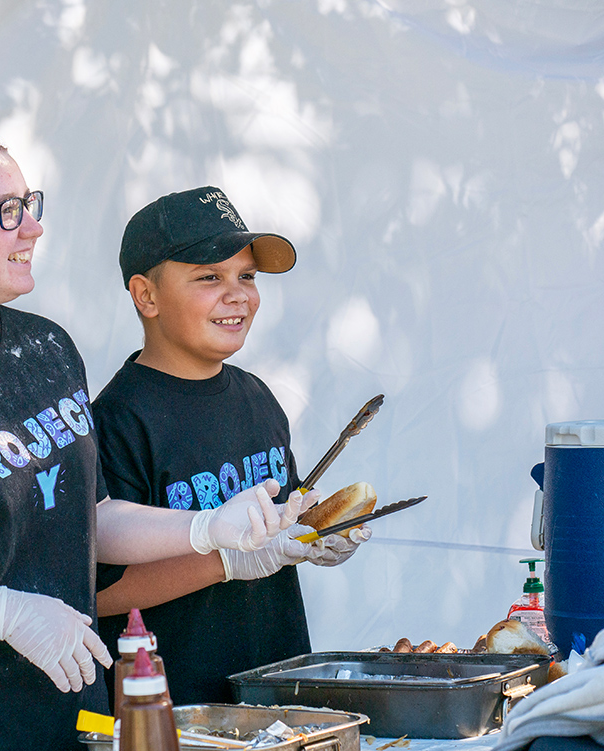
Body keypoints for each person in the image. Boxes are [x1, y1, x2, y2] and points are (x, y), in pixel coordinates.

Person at [0, 127, 299, 751]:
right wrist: (1, 613)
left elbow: (90, 515)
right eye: (5, 212)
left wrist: (208, 531)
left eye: (29, 204)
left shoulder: (45, 349)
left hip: (75, 720)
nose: (33, 229)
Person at [93, 186, 373, 706]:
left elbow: (279, 522)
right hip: (178, 711)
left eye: (246, 276)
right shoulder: (115, 420)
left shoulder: (257, 396)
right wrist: (224, 561)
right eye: (209, 278)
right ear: (146, 295)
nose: (239, 294)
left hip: (280, 687)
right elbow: (100, 592)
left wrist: (312, 536)